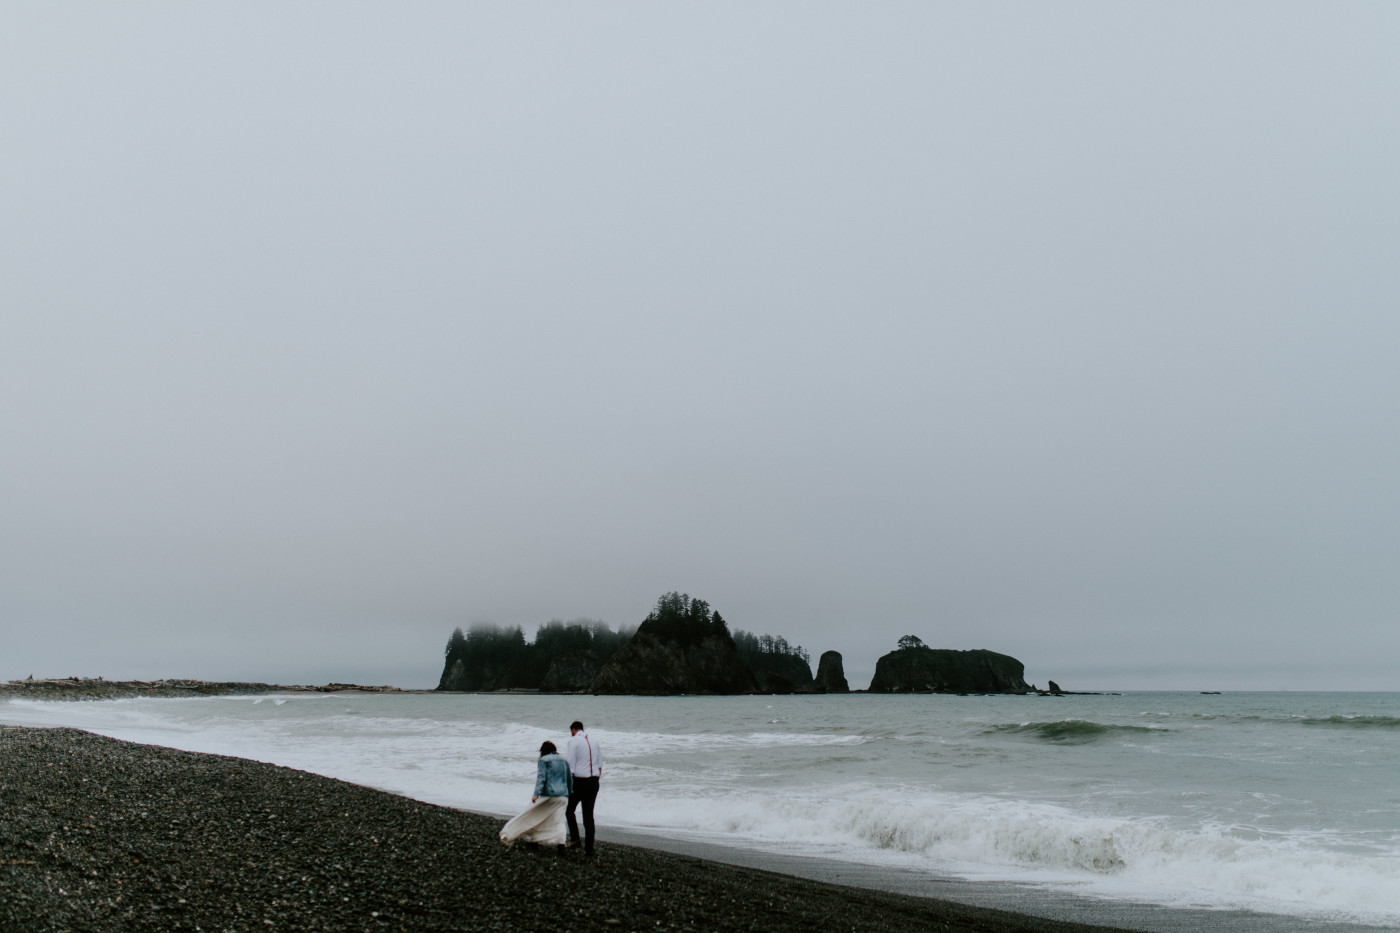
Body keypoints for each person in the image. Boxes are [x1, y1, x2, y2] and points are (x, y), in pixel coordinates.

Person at [499, 740, 573, 854]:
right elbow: (569, 778)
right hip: (563, 796)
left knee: (532, 815)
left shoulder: (544, 760)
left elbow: (541, 779)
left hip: (548, 795)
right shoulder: (564, 760)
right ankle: (561, 845)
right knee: (559, 821)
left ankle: (513, 835)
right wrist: (570, 791)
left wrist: (536, 794)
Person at [565, 720, 602, 854]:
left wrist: (568, 785)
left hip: (579, 781)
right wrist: (596, 779)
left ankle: (575, 839)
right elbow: (599, 764)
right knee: (588, 815)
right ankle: (589, 848)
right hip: (593, 781)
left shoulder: (574, 741)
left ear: (573, 730)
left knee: (569, 810)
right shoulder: (594, 740)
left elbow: (571, 765)